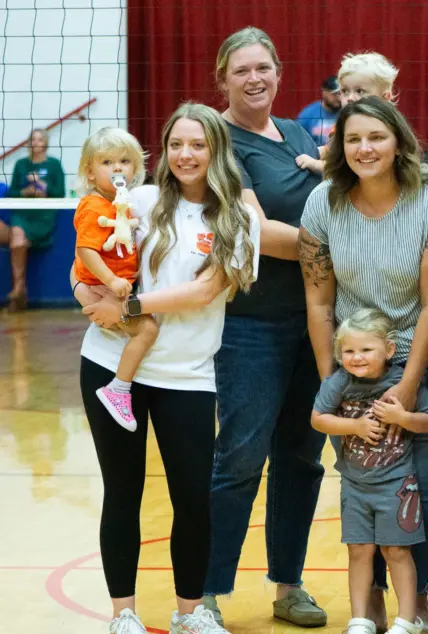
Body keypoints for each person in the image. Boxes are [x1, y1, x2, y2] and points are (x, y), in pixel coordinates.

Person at [72, 102, 259, 634]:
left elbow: (204, 291)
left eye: (198, 144)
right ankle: (123, 614)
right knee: (123, 492)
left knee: (192, 497)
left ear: (217, 150)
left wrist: (129, 307)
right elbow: (84, 260)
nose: (185, 154)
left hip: (187, 375)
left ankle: (189, 613)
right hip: (112, 365)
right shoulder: (140, 200)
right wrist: (87, 294)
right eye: (176, 144)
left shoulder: (239, 218)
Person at [299, 96, 428, 631]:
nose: (364, 148)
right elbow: (319, 301)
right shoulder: (323, 202)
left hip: (420, 361)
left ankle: (416, 604)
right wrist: (333, 382)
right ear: (339, 147)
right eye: (353, 139)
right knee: (362, 484)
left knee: (418, 484)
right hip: (352, 369)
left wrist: (409, 384)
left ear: (398, 141)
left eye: (376, 137)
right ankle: (369, 600)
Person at [203, 26, 328, 629]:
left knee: (302, 457)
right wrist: (339, 245)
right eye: (242, 71)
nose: (255, 79)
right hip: (250, 325)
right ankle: (203, 593)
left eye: (263, 68)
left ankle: (288, 586)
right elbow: (255, 232)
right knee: (241, 457)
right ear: (222, 80)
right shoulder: (219, 141)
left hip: (317, 321)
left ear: (278, 73)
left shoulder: (298, 134)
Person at [311, 309, 428, 634]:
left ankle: (407, 620)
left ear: (389, 349)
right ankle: (360, 619)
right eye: (349, 351)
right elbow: (318, 418)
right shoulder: (339, 381)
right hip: (354, 486)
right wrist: (355, 426)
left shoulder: (401, 382)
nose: (356, 357)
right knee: (359, 550)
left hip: (398, 486)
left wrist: (402, 418)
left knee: (397, 551)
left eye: (366, 349)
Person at [71, 127, 159, 431]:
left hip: (112, 285)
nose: (117, 168)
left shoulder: (119, 204)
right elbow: (85, 251)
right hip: (101, 287)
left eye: (124, 161)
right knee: (147, 329)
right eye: (107, 162)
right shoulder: (93, 205)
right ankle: (118, 389)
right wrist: (111, 281)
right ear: (90, 172)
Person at [295, 52, 400, 175]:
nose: (349, 98)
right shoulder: (344, 123)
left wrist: (314, 164)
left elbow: (346, 167)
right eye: (345, 91)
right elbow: (330, 150)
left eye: (360, 91)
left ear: (384, 98)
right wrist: (312, 152)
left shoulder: (387, 125)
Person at [0, 128, 65, 310]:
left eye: (40, 139)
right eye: (33, 139)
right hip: (23, 212)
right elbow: (12, 192)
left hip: (44, 214)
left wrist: (43, 186)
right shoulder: (21, 164)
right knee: (18, 237)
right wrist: (26, 191)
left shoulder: (54, 164)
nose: (36, 142)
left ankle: (20, 291)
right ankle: (18, 289)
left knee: (18, 239)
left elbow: (60, 193)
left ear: (45, 143)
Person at [297, 76, 343, 146]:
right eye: (334, 94)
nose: (338, 97)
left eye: (340, 93)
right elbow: (299, 142)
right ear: (324, 92)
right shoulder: (308, 114)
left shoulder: (347, 112)